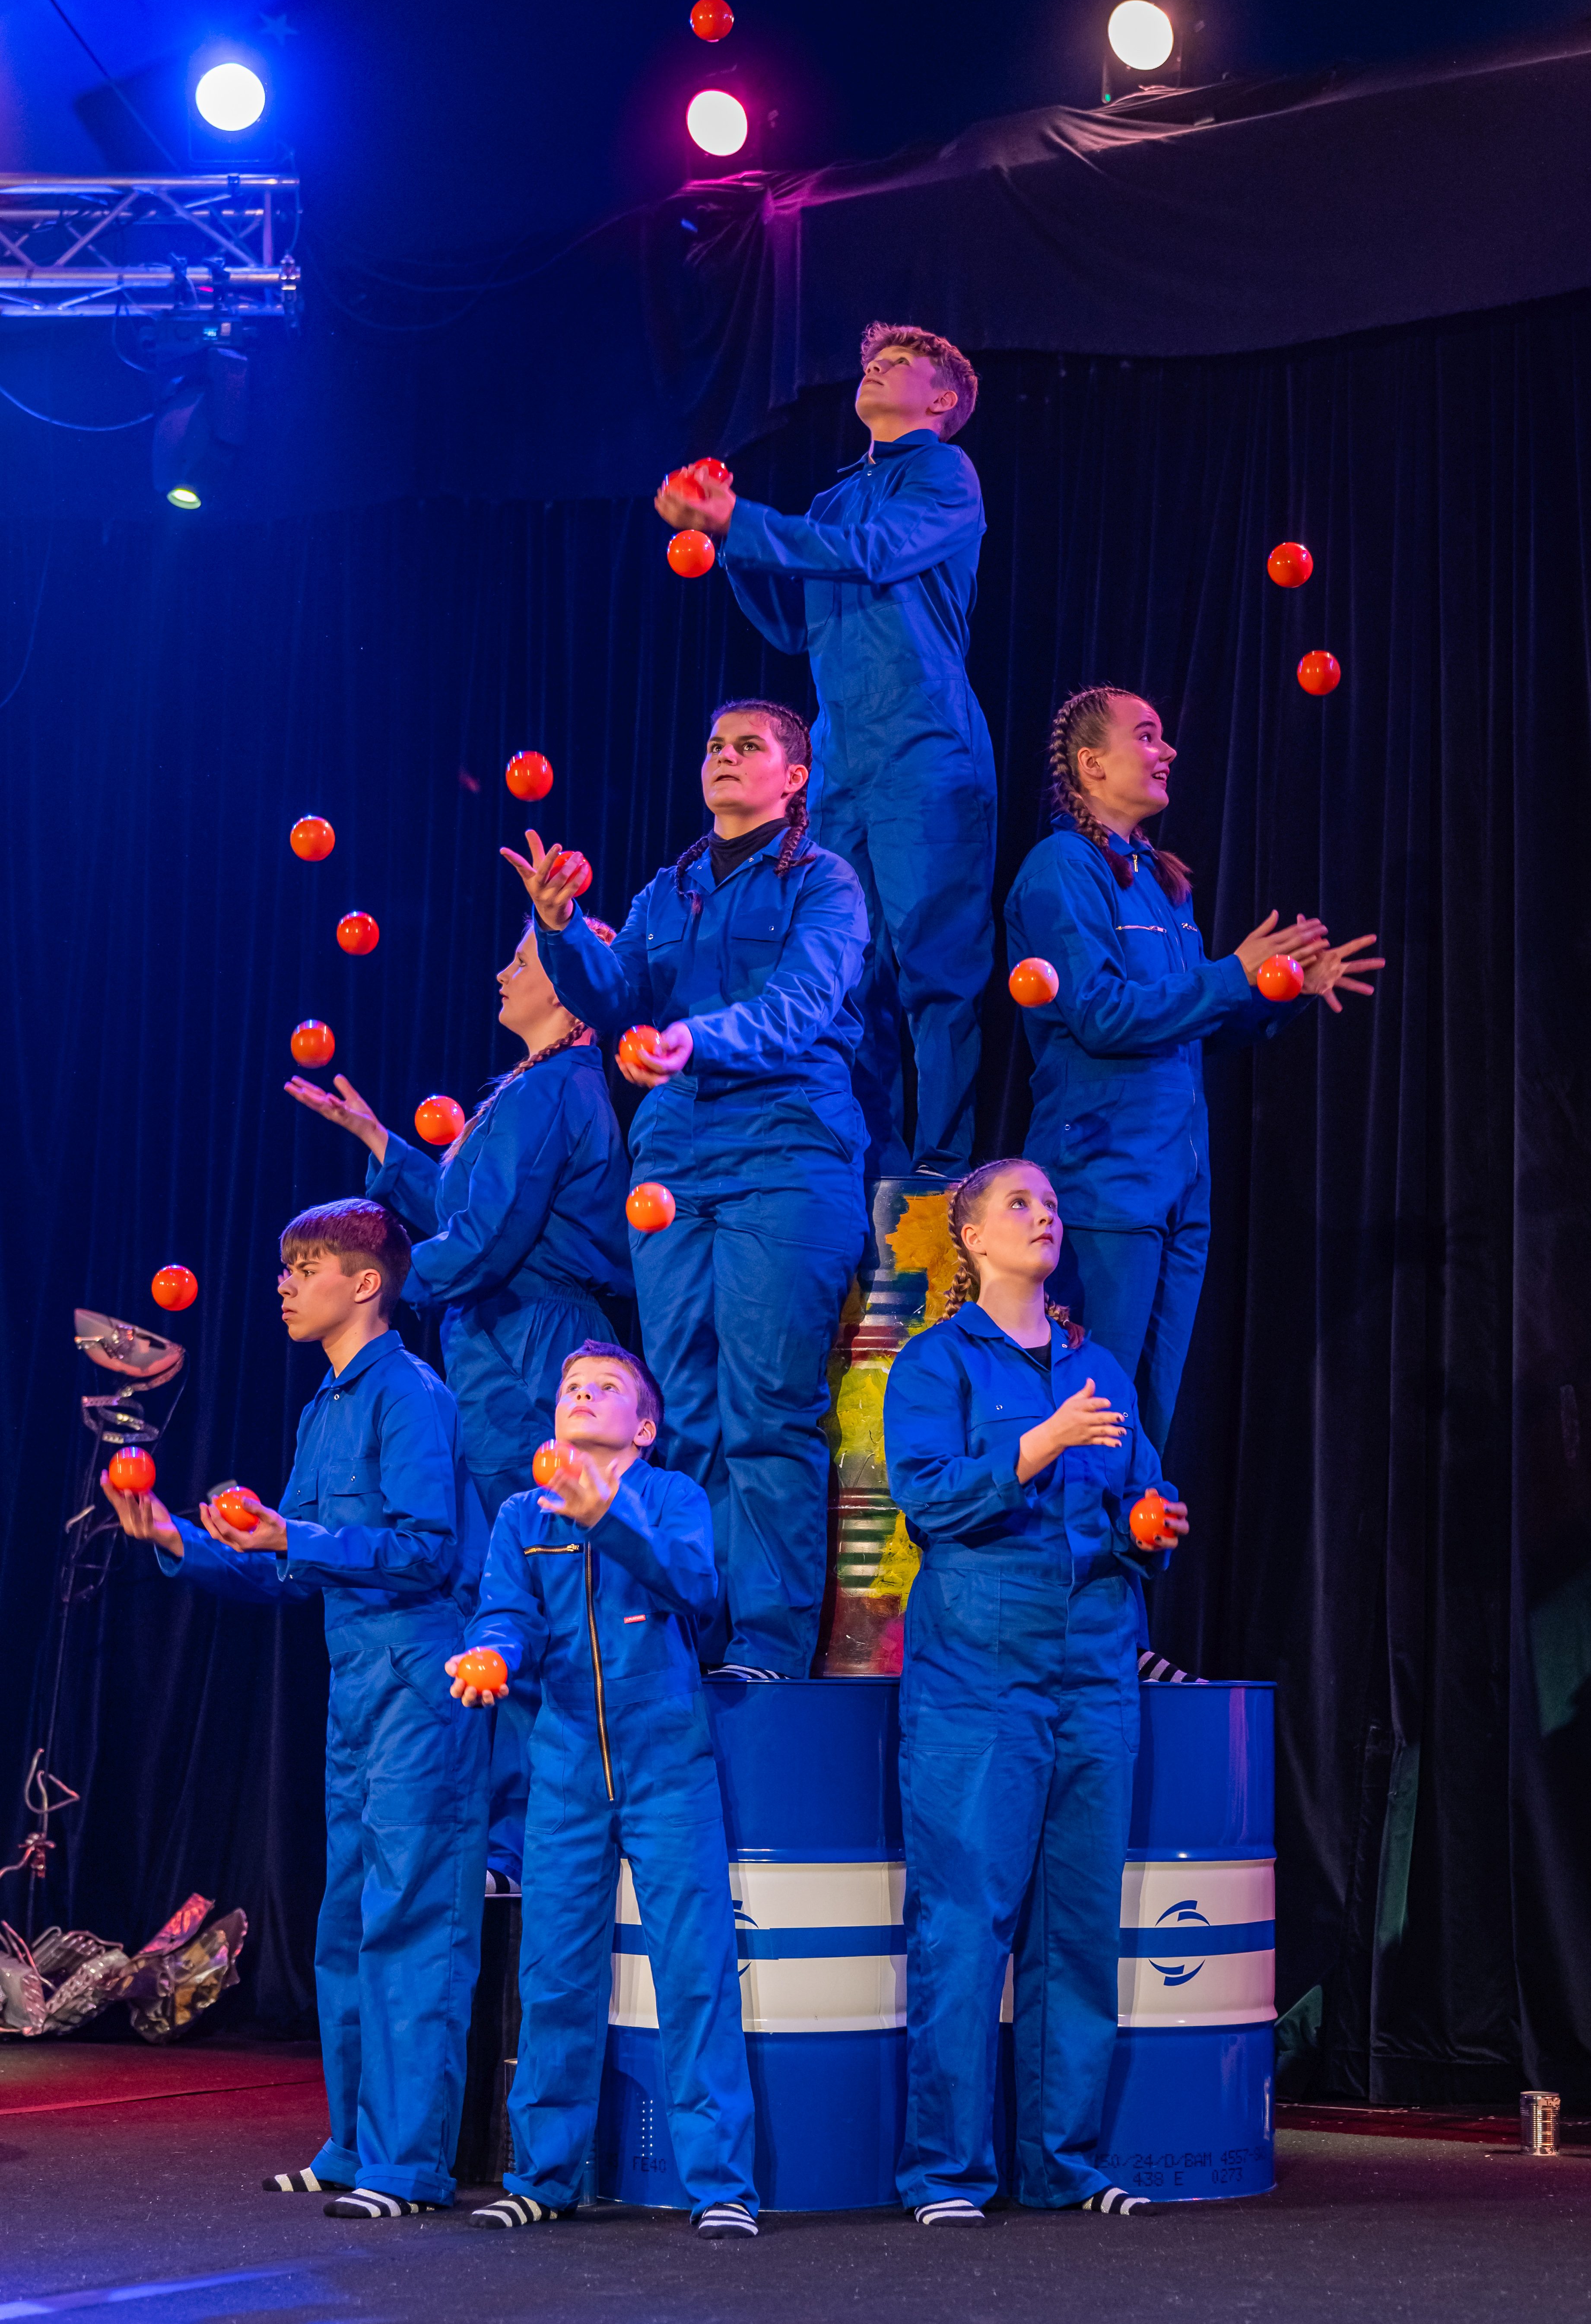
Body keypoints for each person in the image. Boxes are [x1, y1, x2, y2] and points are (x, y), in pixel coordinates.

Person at [104, 1199, 489, 2222]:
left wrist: (291, 1536)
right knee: (346, 1920)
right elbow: (291, 1570)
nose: (284, 1284)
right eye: (285, 1268)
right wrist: (180, 1540)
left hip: (420, 1678)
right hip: (355, 1681)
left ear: (365, 1283)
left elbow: (427, 1552)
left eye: (306, 1266)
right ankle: (354, 2144)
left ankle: (408, 2167)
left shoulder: (409, 1394)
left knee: (412, 1919)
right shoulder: (326, 1407)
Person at [505, 698, 868, 1682]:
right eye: (714, 744)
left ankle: (767, 1648)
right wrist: (561, 928)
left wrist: (692, 1039)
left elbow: (802, 1003)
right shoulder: (667, 892)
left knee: (767, 1410)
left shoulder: (822, 880)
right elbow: (610, 994)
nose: (724, 757)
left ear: (795, 776)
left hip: (784, 1155)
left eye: (750, 746)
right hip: (673, 1168)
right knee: (689, 1411)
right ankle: (703, 1640)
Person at [285, 917, 632, 1879]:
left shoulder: (556, 1088)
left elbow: (483, 1242)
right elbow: (467, 1210)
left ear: (567, 987)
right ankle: (508, 1838)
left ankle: (534, 1844)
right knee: (495, 1582)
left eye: (521, 960)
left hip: (530, 1342)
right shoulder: (527, 1087)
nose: (501, 970)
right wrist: (381, 1145)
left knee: (530, 1578)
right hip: (498, 1338)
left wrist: (375, 1284)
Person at [882, 1159, 1187, 2225]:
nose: (1044, 1215)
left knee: (1079, 1925)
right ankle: (945, 2175)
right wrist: (1040, 1443)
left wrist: (1151, 1523)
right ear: (969, 1236)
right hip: (981, 1675)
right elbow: (926, 1499)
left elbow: (1140, 1491)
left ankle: (1066, 2165)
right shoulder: (936, 1362)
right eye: (1020, 1202)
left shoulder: (1097, 1366)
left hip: (1094, 1668)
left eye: (1052, 1204)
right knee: (967, 1922)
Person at [1006, 683, 1383, 1457]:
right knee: (1094, 1413)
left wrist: (1281, 992)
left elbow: (1190, 1024)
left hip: (1178, 1180)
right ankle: (1081, 1541)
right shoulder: (1063, 868)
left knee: (1149, 1423)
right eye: (1146, 736)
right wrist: (1233, 974)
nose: (1168, 750)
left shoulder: (1156, 879)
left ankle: (1131, 1540)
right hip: (1104, 1175)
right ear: (1092, 764)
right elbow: (1101, 1013)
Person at [655, 322, 993, 1181]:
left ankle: (938, 1176)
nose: (875, 368)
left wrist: (741, 520)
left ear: (943, 399)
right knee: (850, 972)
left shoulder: (945, 474)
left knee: (935, 968)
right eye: (871, 360)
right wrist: (729, 543)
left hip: (925, 744)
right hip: (843, 757)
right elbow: (790, 625)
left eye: (900, 363)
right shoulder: (836, 499)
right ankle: (867, 1168)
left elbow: (874, 555)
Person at [448, 1341, 758, 2238]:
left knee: (695, 1974)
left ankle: (721, 2187)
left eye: (606, 1387)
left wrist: (610, 1514)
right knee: (554, 1977)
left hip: (667, 1766)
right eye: (571, 1387)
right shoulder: (523, 1513)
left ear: (645, 1428)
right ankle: (544, 2178)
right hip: (567, 1770)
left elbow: (696, 1587)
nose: (582, 1395)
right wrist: (490, 1656)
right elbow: (506, 1614)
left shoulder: (673, 1497)